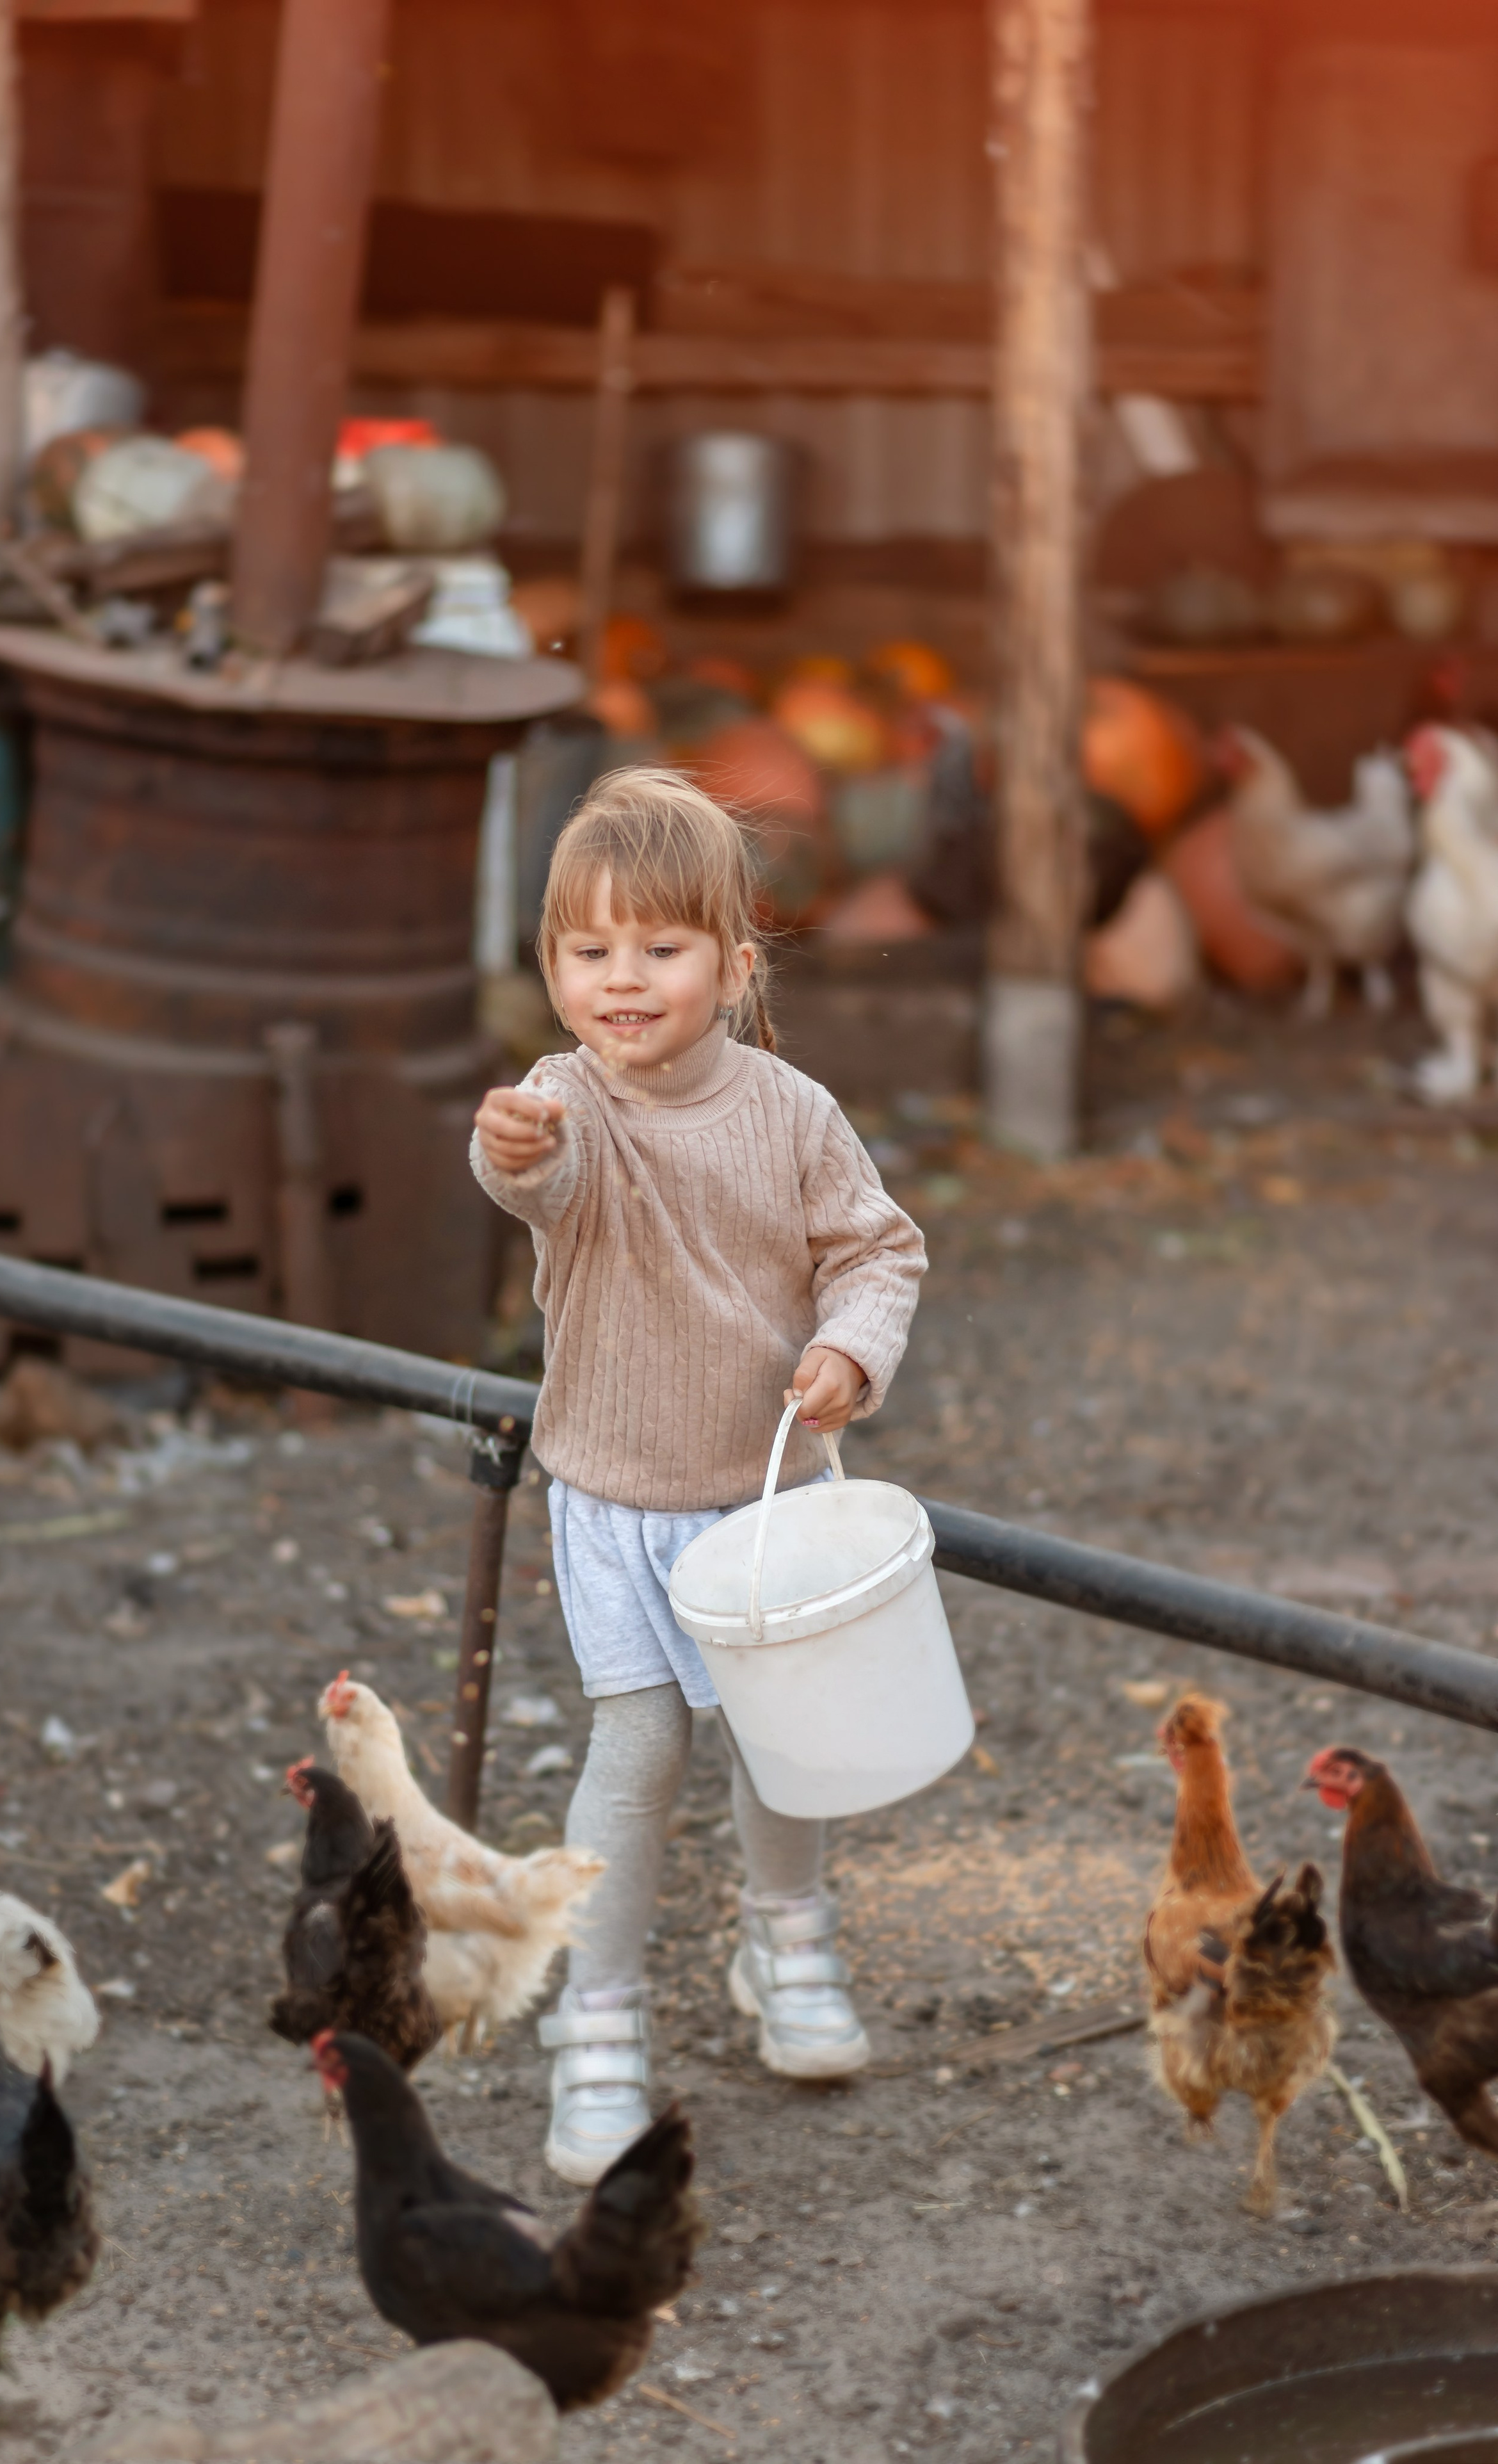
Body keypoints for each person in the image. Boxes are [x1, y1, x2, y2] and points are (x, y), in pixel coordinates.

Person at [471, 768, 926, 2184]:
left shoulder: (790, 1111)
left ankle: (781, 1941)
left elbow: (876, 1247)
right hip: (613, 1497)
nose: (622, 981)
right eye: (588, 951)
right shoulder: (564, 1106)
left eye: (658, 950)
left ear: (731, 968)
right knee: (641, 1747)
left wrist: (850, 1350)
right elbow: (532, 1182)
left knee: (783, 1744)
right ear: (550, 968)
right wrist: (508, 1154)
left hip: (766, 1496)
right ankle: (594, 2027)